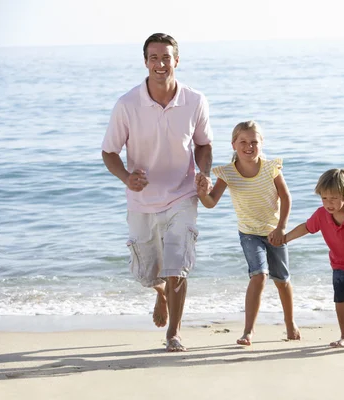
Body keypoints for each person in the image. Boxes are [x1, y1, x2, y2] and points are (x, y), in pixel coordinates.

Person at [101, 33, 213, 352]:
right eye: (154, 58)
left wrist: (203, 175)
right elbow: (109, 152)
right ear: (145, 62)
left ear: (176, 60)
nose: (160, 64)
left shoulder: (195, 101)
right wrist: (126, 177)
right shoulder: (127, 104)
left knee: (177, 264)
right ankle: (161, 293)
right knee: (148, 272)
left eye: (166, 58)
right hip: (142, 200)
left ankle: (173, 333)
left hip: (182, 194)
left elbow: (204, 144)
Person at [196, 120, 300, 346]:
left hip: (274, 232)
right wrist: (203, 193)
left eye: (254, 142)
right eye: (243, 141)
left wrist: (282, 227)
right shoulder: (228, 173)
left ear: (261, 144)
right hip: (249, 233)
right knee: (259, 275)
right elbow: (211, 202)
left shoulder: (270, 167)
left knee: (282, 280)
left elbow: (286, 197)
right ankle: (248, 331)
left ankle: (290, 324)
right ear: (233, 144)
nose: (248, 146)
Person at [276, 168, 344, 347]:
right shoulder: (321, 214)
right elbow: (306, 228)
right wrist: (285, 238)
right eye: (324, 198)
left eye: (333, 198)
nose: (328, 203)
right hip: (340, 263)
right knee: (340, 299)